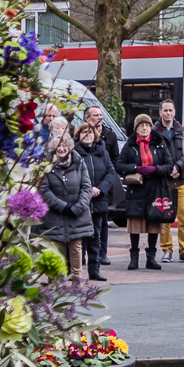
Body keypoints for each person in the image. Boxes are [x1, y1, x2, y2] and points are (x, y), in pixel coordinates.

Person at [117, 113, 174, 271]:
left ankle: (151, 258)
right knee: (135, 225)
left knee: (154, 224)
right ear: (136, 128)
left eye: (147, 125)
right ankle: (133, 258)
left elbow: (169, 166)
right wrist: (135, 168)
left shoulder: (159, 143)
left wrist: (155, 169)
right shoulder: (130, 145)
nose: (144, 128)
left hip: (155, 189)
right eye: (141, 125)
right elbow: (119, 165)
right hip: (136, 190)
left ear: (151, 127)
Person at [74, 116, 120, 278]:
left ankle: (94, 270)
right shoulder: (74, 154)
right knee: (79, 236)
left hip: (99, 199)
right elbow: (74, 176)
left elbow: (110, 172)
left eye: (90, 132)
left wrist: (100, 189)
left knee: (96, 236)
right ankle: (76, 270)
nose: (88, 135)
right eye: (84, 133)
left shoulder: (103, 152)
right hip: (82, 200)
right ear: (78, 135)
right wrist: (88, 190)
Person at [39, 133, 92, 272]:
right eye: (58, 146)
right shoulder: (46, 165)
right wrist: (63, 207)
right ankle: (56, 279)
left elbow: (86, 186)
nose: (61, 149)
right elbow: (43, 190)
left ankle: (76, 279)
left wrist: (78, 207)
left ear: (70, 147)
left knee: (76, 247)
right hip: (54, 215)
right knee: (56, 249)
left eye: (64, 145)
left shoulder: (79, 163)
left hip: (77, 214)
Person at [154, 100, 184, 261]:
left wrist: (178, 167)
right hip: (163, 181)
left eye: (170, 110)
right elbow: (153, 155)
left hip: (182, 179)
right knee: (164, 216)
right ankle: (167, 250)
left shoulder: (183, 131)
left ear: (175, 112)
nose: (168, 113)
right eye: (165, 110)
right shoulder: (155, 132)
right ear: (160, 112)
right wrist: (168, 169)